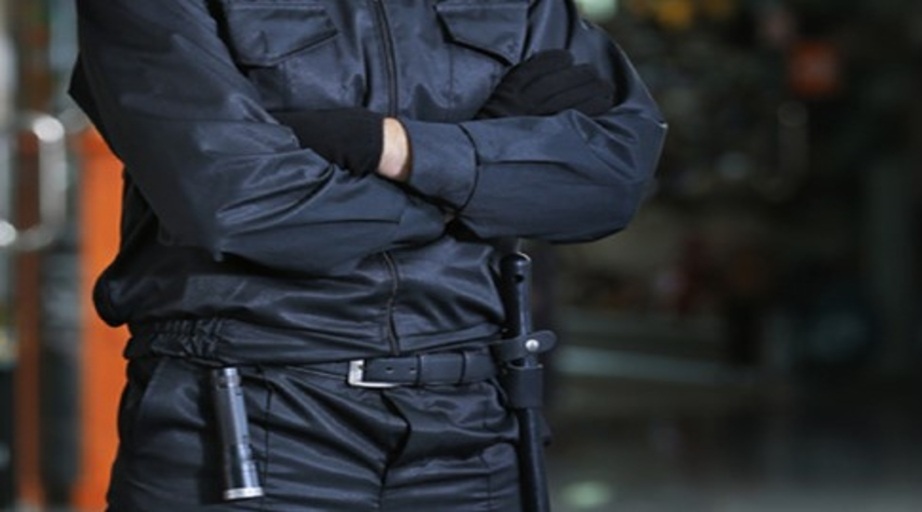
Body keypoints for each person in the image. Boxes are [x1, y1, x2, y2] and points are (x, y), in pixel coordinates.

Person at [69, 0, 665, 510]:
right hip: (245, 415)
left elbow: (611, 178)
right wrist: (489, 169)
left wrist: (388, 145)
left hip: (476, 423)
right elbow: (240, 202)